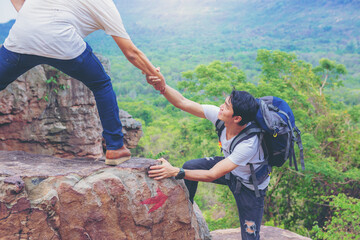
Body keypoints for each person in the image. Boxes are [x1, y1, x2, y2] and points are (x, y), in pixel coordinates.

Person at [0, 0, 165, 165]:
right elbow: (131, 53)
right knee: (101, 85)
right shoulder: (104, 4)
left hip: (22, 37)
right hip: (63, 44)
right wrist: (157, 77)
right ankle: (115, 148)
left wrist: (28, 15)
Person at [147, 81, 269, 240]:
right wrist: (162, 87)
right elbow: (182, 102)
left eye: (226, 106)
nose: (221, 107)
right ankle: (185, 211)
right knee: (190, 166)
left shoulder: (248, 143)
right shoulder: (222, 118)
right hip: (231, 169)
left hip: (250, 187)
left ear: (237, 118)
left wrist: (175, 171)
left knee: (250, 236)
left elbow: (212, 174)